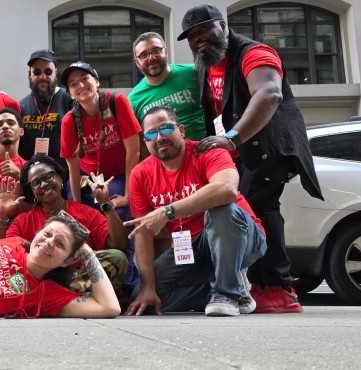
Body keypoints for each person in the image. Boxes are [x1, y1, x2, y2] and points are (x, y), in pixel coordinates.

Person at [178, 4, 323, 313]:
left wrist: (231, 138)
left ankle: (279, 289)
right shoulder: (207, 64)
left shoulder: (255, 53)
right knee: (247, 211)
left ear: (222, 25)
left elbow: (269, 94)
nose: (197, 39)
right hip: (239, 153)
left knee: (259, 208)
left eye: (202, 30)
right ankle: (257, 284)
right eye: (190, 36)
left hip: (267, 147)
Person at [125, 106, 266, 317]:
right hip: (192, 250)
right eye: (151, 134)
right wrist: (148, 287)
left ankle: (226, 293)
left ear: (181, 130)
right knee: (147, 299)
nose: (160, 137)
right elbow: (143, 232)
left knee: (220, 209)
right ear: (145, 141)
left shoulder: (208, 151)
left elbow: (226, 189)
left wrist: (167, 211)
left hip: (243, 239)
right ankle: (226, 288)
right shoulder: (140, 174)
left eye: (166, 128)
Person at [0, 154, 129, 294]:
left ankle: (59, 296)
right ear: (32, 193)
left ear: (60, 179)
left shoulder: (86, 213)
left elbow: (120, 243)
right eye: (36, 183)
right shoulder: (23, 221)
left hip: (76, 281)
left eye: (48, 176)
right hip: (38, 281)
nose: (43, 184)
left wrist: (105, 203)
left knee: (117, 257)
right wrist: (2, 214)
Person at [59, 61, 141, 223]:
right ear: (71, 94)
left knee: (119, 213)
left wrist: (127, 196)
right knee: (82, 220)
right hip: (87, 179)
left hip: (118, 176)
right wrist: (77, 207)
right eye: (73, 84)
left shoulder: (117, 102)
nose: (81, 85)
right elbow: (73, 170)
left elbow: (134, 152)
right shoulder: (69, 121)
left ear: (96, 81)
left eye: (84, 78)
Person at [129, 32, 206, 141]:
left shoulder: (194, 72)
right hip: (164, 151)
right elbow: (140, 140)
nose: (151, 58)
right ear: (137, 62)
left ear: (165, 51)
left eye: (156, 51)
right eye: (144, 55)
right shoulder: (133, 100)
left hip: (206, 147)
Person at [17, 50, 73, 169]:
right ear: (30, 74)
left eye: (48, 71)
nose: (42, 77)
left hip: (64, 174)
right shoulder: (21, 106)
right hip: (31, 176)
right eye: (37, 72)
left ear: (55, 73)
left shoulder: (69, 99)